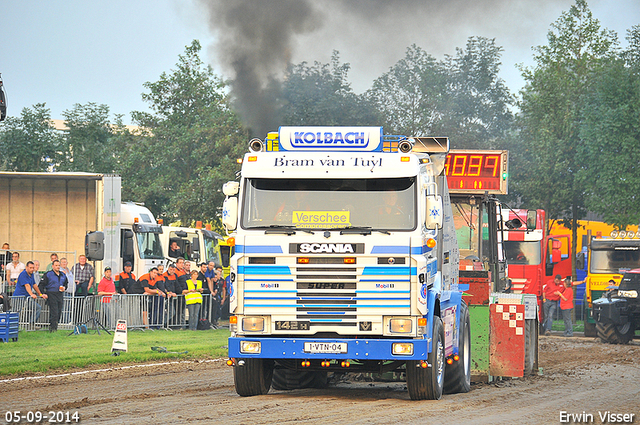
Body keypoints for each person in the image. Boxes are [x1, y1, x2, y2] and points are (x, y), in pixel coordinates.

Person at [39, 259, 67, 332]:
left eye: (59, 265)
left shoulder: (63, 274)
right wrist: (42, 293)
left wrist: (64, 288)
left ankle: (56, 327)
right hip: (51, 293)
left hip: (60, 294)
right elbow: (41, 285)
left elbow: (66, 284)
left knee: (59, 311)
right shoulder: (48, 274)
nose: (58, 267)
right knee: (54, 312)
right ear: (52, 266)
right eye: (56, 265)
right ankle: (52, 328)